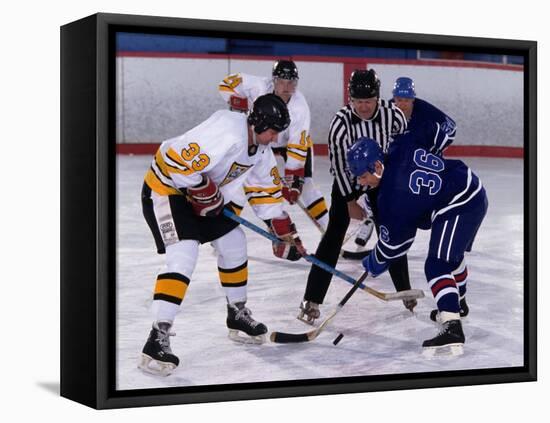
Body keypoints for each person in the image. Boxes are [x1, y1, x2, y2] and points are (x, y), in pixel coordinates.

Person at [138, 94, 307, 376]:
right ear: (259, 123)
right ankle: (157, 336)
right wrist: (202, 187)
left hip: (203, 198)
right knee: (184, 255)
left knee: (234, 242)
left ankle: (237, 313)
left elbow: (265, 193)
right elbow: (171, 158)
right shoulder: (228, 129)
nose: (275, 137)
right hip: (166, 190)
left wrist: (283, 232)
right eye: (273, 131)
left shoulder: (262, 152)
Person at [347, 129, 488, 356]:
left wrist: (373, 263)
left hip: (459, 203)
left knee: (436, 264)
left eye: (363, 176)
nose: (362, 182)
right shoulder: (398, 147)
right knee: (452, 257)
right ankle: (458, 304)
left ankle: (452, 327)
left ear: (378, 167)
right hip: (469, 187)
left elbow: (395, 247)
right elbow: (434, 134)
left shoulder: (393, 197)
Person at [298, 68, 413, 325]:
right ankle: (311, 300)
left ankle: (404, 289)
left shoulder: (393, 117)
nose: (363, 107)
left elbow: (402, 152)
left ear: (378, 97)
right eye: (358, 101)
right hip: (348, 181)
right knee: (333, 237)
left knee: (390, 232)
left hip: (381, 180)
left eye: (368, 101)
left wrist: (396, 187)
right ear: (350, 99)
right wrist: (350, 201)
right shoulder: (340, 124)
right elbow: (338, 166)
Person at [218, 60, 329, 230]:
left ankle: (330, 230)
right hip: (262, 139)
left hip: (288, 145)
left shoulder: (300, 107)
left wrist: (294, 180)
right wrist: (242, 104)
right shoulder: (258, 86)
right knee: (239, 184)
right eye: (281, 81)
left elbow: (297, 145)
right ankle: (223, 230)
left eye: (291, 82)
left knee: (306, 186)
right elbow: (226, 83)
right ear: (273, 80)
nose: (286, 86)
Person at [391, 77, 457, 155]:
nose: (403, 104)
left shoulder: (424, 109)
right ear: (394, 98)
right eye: (399, 100)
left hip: (423, 159)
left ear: (413, 99)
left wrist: (435, 150)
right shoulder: (386, 111)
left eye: (407, 100)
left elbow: (451, 128)